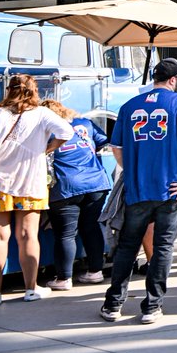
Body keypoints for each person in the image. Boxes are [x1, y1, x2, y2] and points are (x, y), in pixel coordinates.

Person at [100, 59, 177, 323]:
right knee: (163, 246)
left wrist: (132, 170)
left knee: (127, 246)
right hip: (172, 187)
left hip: (138, 186)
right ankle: (152, 306)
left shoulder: (129, 106)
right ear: (172, 80)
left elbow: (117, 147)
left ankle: (113, 304)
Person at [0, 75, 73, 304]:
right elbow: (66, 132)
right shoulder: (42, 113)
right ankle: (31, 289)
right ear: (34, 90)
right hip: (30, 182)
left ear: (8, 89)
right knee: (29, 235)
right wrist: (46, 149)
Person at [42, 100, 111, 290]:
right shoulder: (85, 124)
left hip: (65, 186)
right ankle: (95, 272)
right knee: (92, 227)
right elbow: (103, 141)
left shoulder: (45, 129)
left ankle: (64, 279)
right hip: (95, 183)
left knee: (65, 234)